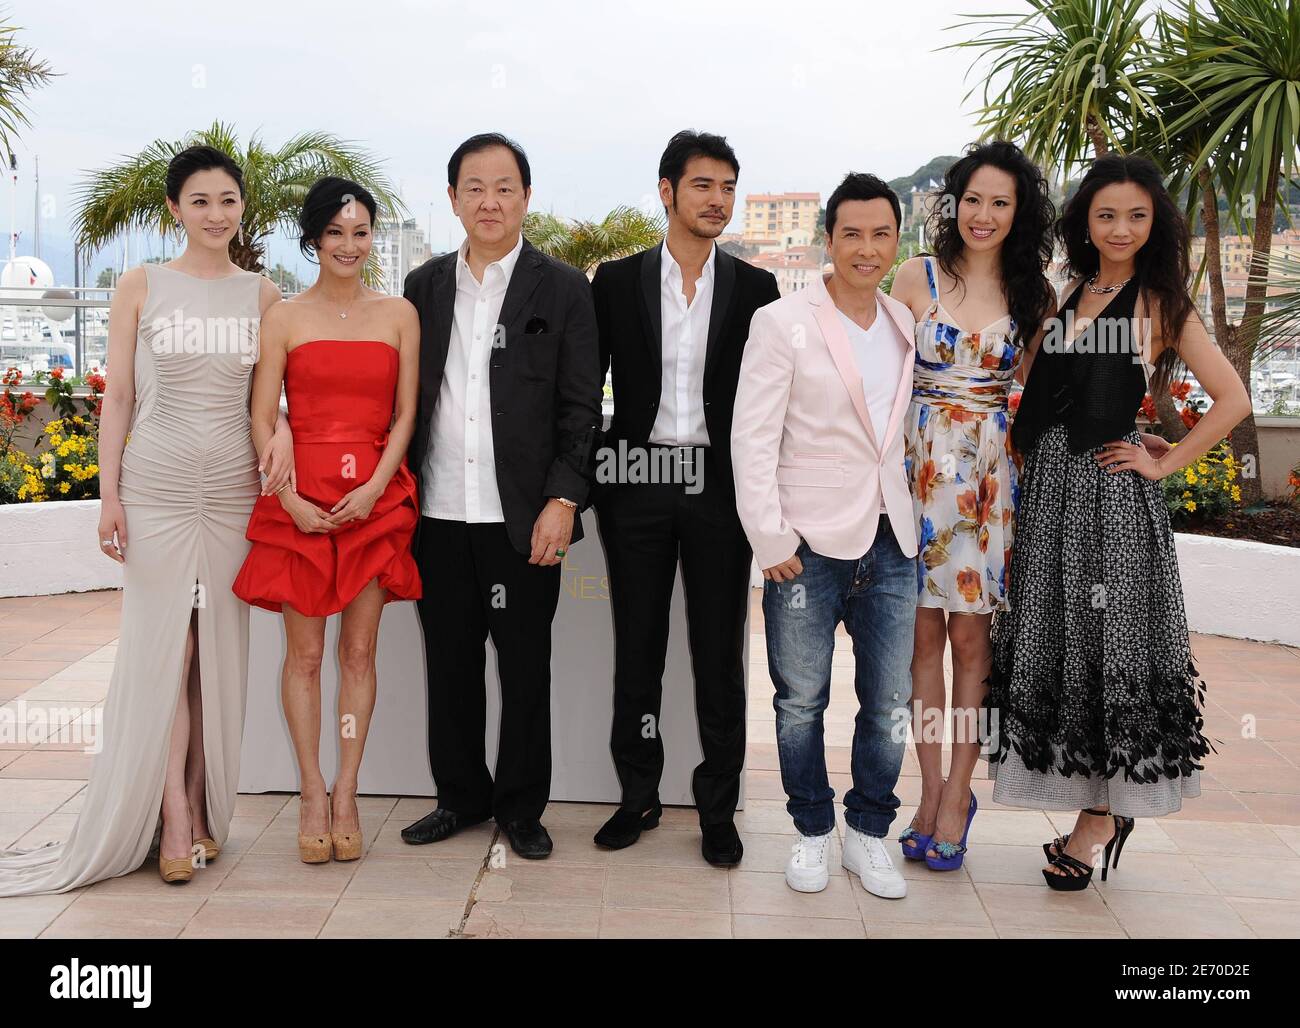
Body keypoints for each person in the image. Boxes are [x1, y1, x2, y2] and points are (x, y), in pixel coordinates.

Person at [0, 146, 290, 893]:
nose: (216, 214)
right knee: (169, 652)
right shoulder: (140, 284)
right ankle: (171, 814)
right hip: (157, 484)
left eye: (228, 200)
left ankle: (197, 801)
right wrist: (110, 495)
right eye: (200, 201)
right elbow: (120, 395)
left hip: (231, 490)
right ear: (174, 209)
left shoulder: (263, 295)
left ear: (242, 207)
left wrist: (283, 431)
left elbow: (273, 398)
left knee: (213, 651)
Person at [988, 153, 1252, 890]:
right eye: (1106, 214)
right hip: (1048, 496)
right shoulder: (1071, 292)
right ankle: (1099, 807)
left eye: (1136, 215)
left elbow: (1232, 399)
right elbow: (1028, 378)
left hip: (1109, 501)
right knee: (1069, 649)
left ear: (1154, 223)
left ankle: (1099, 819)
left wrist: (1163, 463)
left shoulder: (1162, 304)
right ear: (1084, 221)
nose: (1120, 228)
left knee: (1110, 654)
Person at [399, 133, 602, 860]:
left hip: (523, 518)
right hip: (438, 515)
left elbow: (583, 410)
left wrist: (564, 500)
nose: (490, 201)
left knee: (524, 668)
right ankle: (459, 797)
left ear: (525, 197)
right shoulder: (422, 287)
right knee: (448, 664)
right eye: (474, 187)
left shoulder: (565, 288)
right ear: (452, 197)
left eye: (505, 186)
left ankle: (521, 808)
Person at [589, 130, 780, 866]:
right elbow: (584, 389)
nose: (719, 201)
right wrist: (594, 475)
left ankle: (718, 808)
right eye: (704, 186)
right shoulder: (616, 281)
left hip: (717, 487)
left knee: (718, 651)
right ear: (666, 190)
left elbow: (768, 403)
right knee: (637, 648)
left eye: (728, 188)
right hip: (635, 482)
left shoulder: (755, 289)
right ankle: (637, 795)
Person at [732, 173, 919, 898]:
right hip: (804, 548)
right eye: (852, 234)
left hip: (890, 541)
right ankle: (812, 831)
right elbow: (752, 436)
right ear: (828, 241)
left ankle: (868, 833)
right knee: (799, 700)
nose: (867, 249)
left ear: (896, 240)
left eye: (881, 234)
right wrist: (770, 537)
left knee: (889, 704)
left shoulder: (904, 324)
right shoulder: (784, 322)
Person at [232, 177, 420, 863]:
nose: (349, 244)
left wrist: (374, 488)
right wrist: (287, 500)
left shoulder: (399, 313)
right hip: (300, 498)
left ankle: (348, 790)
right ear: (314, 238)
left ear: (373, 238)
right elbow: (260, 415)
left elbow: (405, 416)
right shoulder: (282, 315)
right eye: (335, 232)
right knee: (305, 656)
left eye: (360, 231)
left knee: (359, 653)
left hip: (372, 499)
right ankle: (310, 790)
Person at [888, 141, 1055, 870]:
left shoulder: (1034, 298)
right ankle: (925, 792)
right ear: (952, 204)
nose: (983, 215)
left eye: (1001, 202)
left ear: (1020, 213)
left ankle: (959, 793)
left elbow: (1041, 401)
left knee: (968, 645)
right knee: (918, 645)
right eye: (973, 200)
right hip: (913, 473)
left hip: (984, 486)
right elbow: (879, 384)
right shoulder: (913, 277)